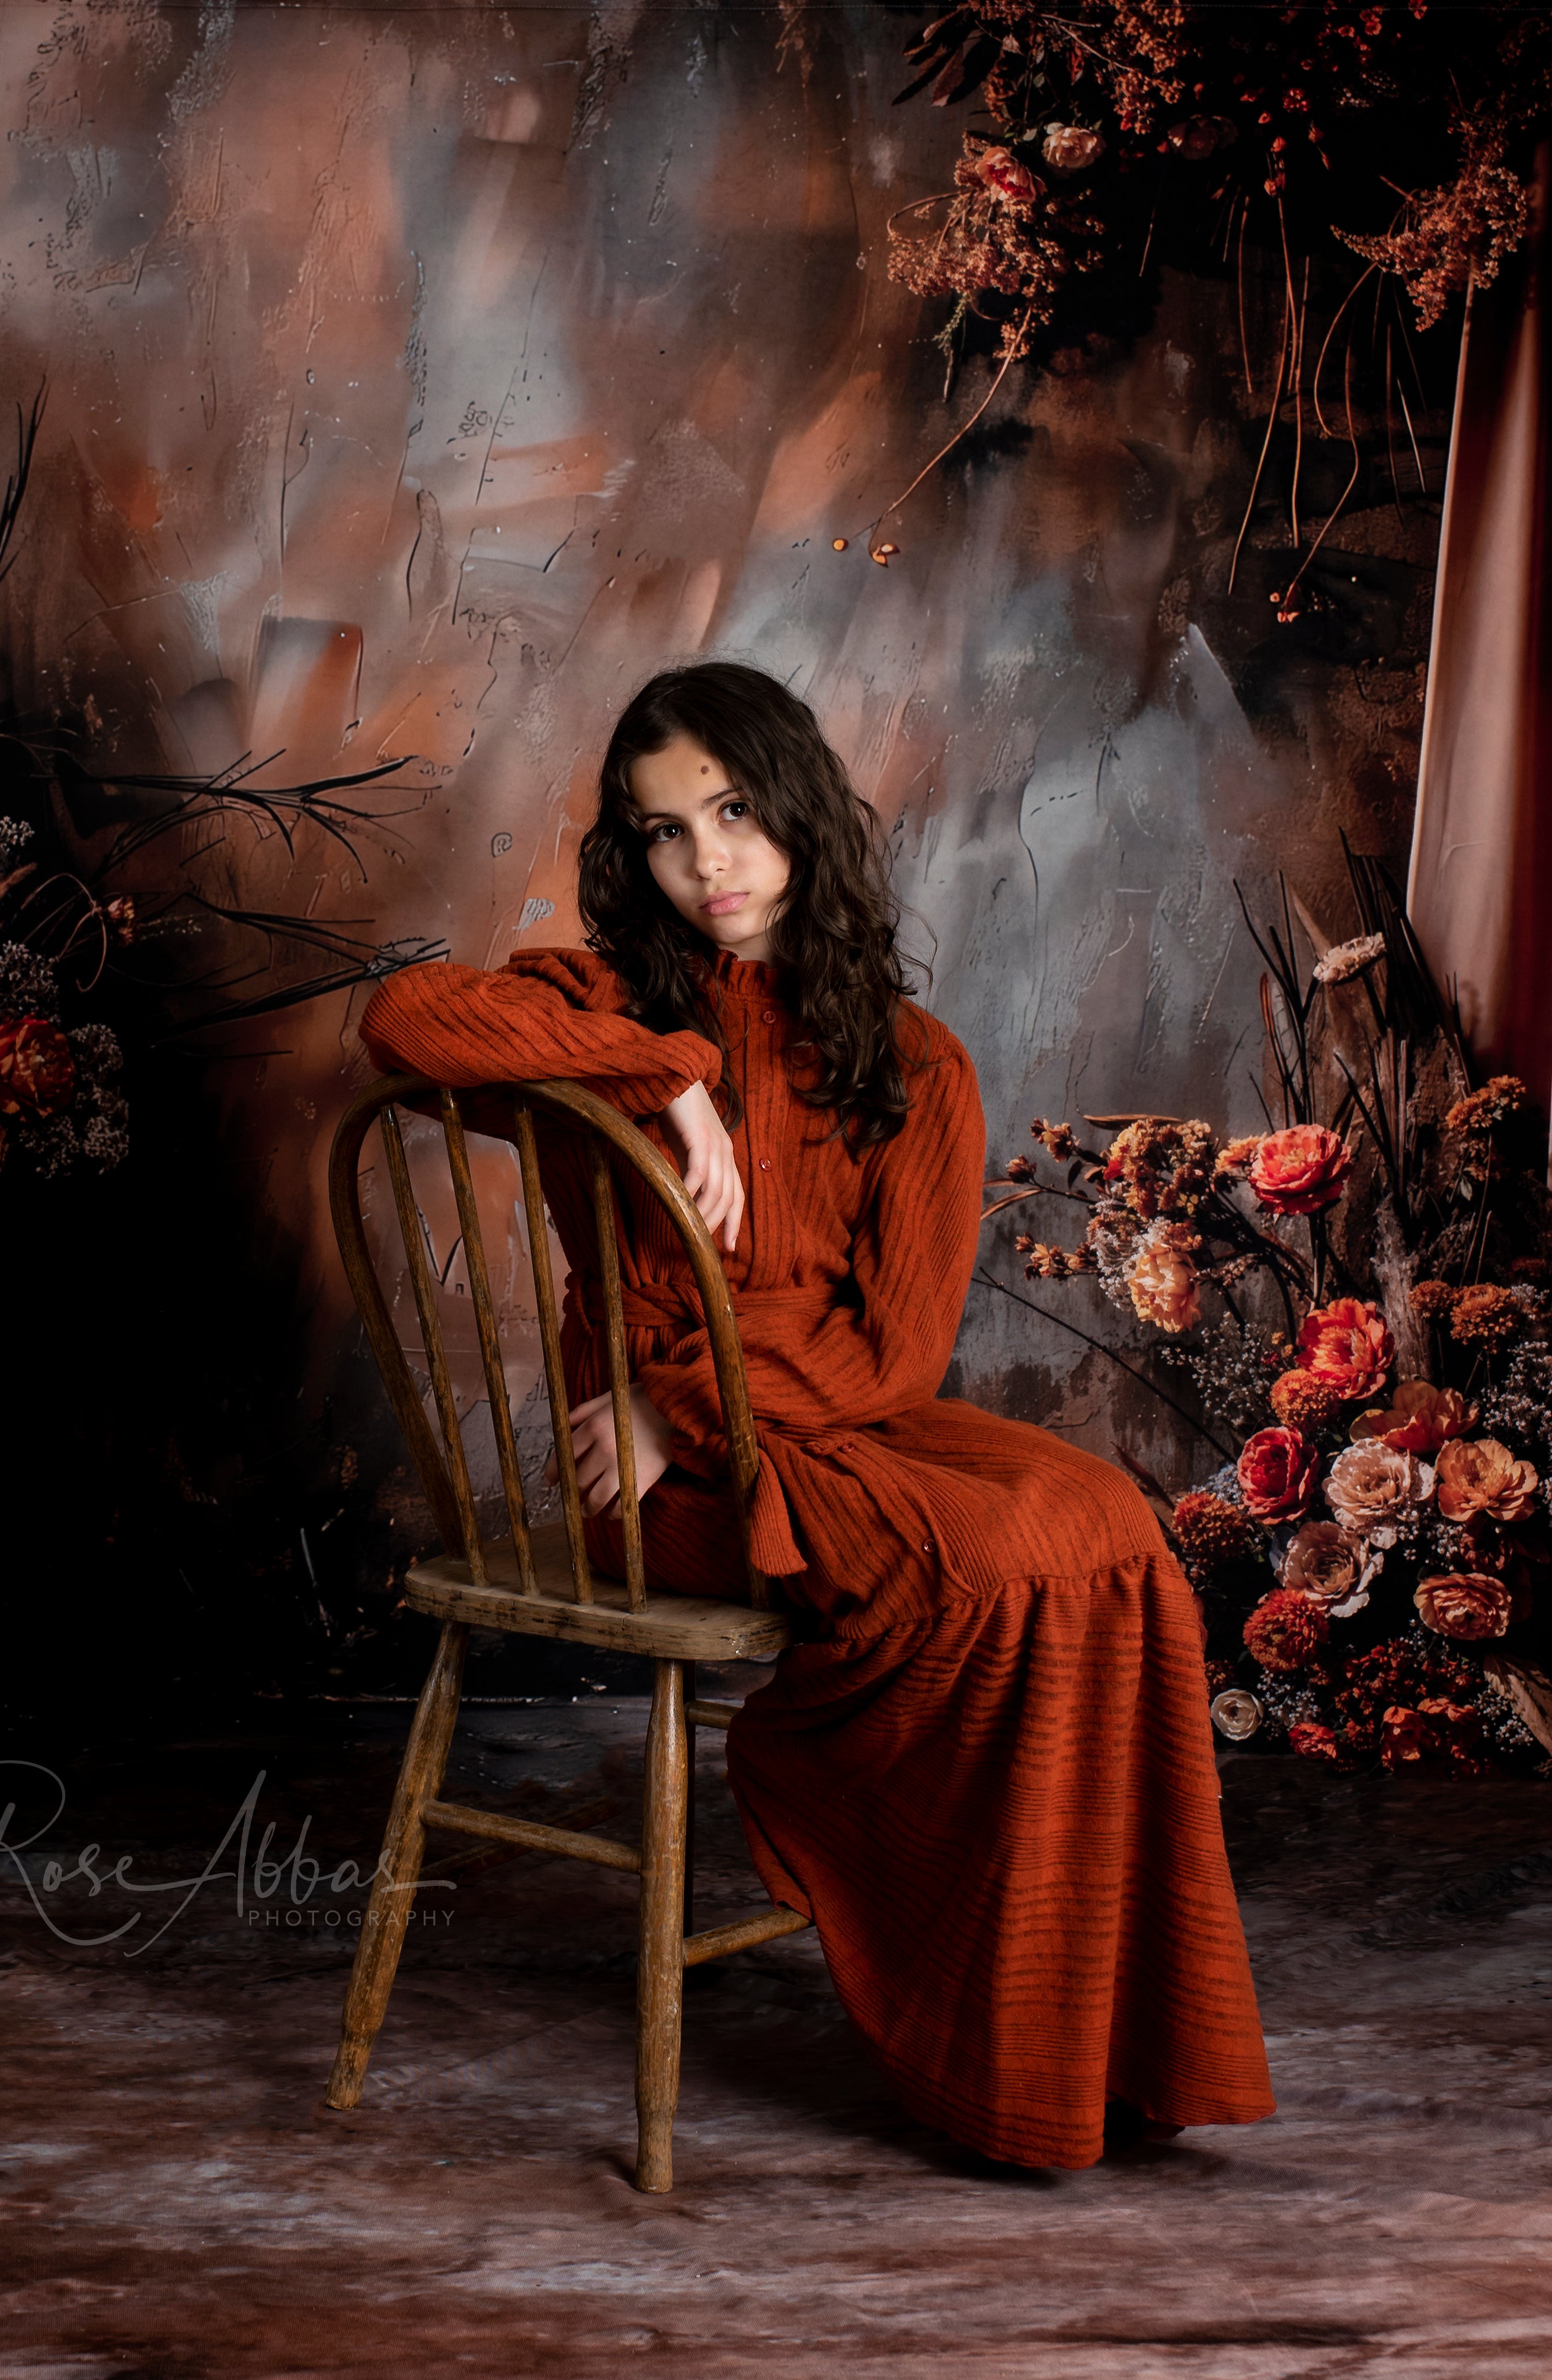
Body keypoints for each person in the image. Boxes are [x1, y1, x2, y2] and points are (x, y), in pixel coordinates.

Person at [359, 660, 1274, 2170]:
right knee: (983, 1568)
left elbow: (893, 1359)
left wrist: (692, 1406)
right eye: (661, 831)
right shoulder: (601, 1002)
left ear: (796, 810)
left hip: (798, 1421)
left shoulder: (914, 1063)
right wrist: (669, 1075)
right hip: (641, 1481)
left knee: (1103, 1532)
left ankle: (1090, 2040)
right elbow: (406, 1019)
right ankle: (972, 2030)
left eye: (729, 810)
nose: (703, 859)